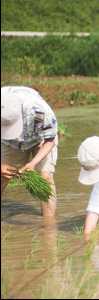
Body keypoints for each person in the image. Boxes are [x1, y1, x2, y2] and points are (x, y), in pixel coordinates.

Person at [1, 86, 58, 216]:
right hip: (7, 143)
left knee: (45, 177)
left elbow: (50, 140)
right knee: (2, 177)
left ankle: (49, 225)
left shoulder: (41, 111)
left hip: (39, 138)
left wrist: (33, 163)